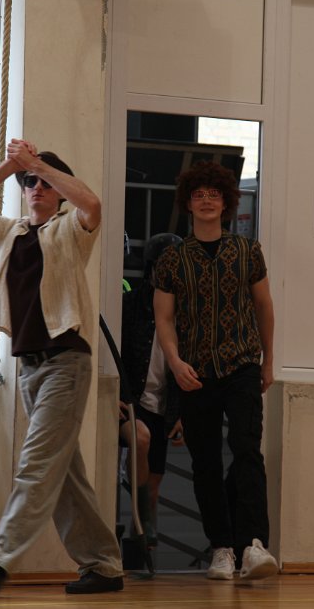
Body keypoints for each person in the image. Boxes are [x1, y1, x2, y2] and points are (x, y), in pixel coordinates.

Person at [0, 139, 124, 595]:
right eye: (30, 183)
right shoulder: (8, 233)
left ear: (59, 191)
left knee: (38, 462)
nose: (37, 188)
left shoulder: (71, 228)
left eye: (46, 182)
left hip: (67, 362)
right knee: (64, 476)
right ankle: (104, 565)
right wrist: (13, 165)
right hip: (29, 369)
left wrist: (40, 165)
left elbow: (92, 203)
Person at [152, 160, 278, 582]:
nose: (206, 200)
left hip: (242, 363)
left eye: (214, 194)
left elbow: (264, 306)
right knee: (204, 462)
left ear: (226, 203)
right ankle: (222, 548)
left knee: (247, 452)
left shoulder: (248, 251)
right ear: (188, 203)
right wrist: (174, 362)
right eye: (199, 194)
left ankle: (253, 546)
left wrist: (268, 360)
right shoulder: (172, 259)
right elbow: (164, 319)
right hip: (194, 371)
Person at [119, 233, 185, 548]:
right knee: (140, 438)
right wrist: (116, 395)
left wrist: (181, 413)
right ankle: (142, 521)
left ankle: (140, 548)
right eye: (165, 266)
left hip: (163, 406)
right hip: (130, 401)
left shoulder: (186, 314)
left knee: (154, 489)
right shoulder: (130, 304)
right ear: (152, 268)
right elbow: (114, 353)